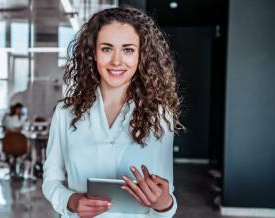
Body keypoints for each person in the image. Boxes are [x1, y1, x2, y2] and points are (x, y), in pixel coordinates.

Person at [42, 7, 184, 218]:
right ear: (93, 53)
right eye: (107, 49)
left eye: (128, 50)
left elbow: (166, 197)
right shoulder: (65, 113)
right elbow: (51, 180)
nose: (117, 61)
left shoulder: (160, 116)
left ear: (141, 55)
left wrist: (163, 203)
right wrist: (71, 201)